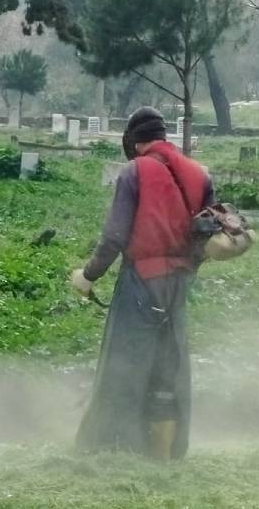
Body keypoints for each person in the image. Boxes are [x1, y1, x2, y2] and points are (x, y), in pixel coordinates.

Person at [70, 107, 214, 461]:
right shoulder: (199, 174)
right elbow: (207, 239)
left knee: (125, 367)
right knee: (168, 368)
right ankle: (163, 456)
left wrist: (87, 277)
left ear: (134, 142)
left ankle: (115, 450)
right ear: (163, 137)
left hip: (140, 282)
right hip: (179, 285)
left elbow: (114, 237)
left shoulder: (135, 171)